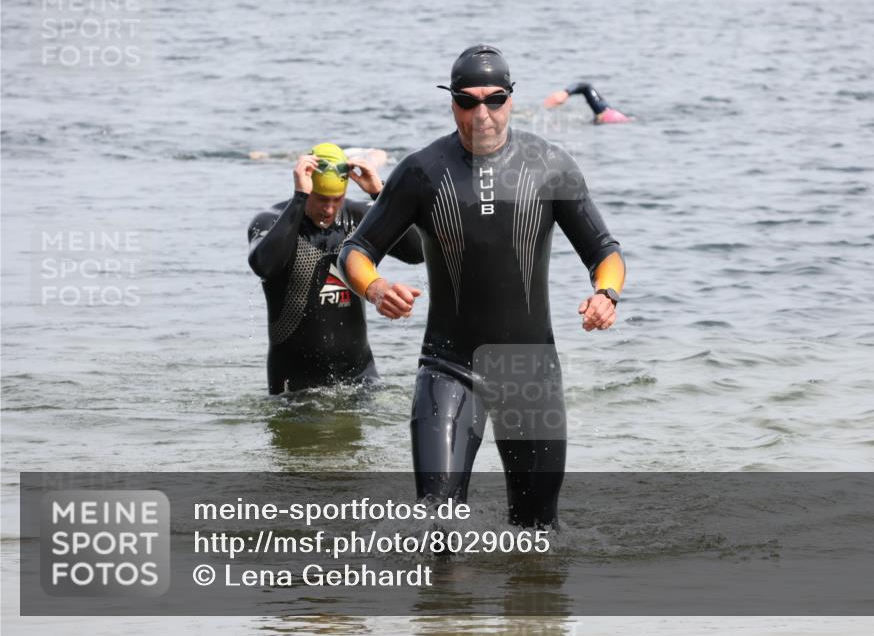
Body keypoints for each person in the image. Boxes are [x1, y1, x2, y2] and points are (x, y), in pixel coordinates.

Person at [338, 46, 626, 528]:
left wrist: (606, 294)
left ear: (511, 98)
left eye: (494, 99)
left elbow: (605, 252)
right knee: (437, 520)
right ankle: (446, 601)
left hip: (531, 372)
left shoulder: (550, 166)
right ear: (451, 103)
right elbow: (355, 250)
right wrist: (374, 287)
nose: (482, 113)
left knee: (538, 534)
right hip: (449, 367)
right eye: (467, 101)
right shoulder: (422, 171)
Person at [248, 142, 423, 395]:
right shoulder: (271, 221)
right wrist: (299, 198)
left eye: (336, 199)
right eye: (321, 199)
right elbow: (264, 266)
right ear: (307, 188)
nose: (329, 209)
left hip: (360, 377)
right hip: (294, 384)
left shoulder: (358, 217)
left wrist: (381, 195)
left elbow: (417, 252)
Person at [543, 82, 632, 124]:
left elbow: (586, 87)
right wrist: (566, 92)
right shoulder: (603, 109)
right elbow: (585, 86)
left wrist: (566, 92)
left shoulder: (602, 112)